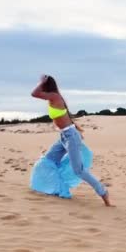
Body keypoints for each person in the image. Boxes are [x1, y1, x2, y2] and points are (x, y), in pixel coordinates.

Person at [31, 74, 112, 206]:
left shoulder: (54, 96)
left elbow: (34, 94)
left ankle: (103, 192)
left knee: (78, 170)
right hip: (64, 135)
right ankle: (55, 187)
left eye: (43, 85)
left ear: (46, 86)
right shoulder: (53, 98)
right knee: (48, 160)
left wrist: (41, 82)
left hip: (70, 136)